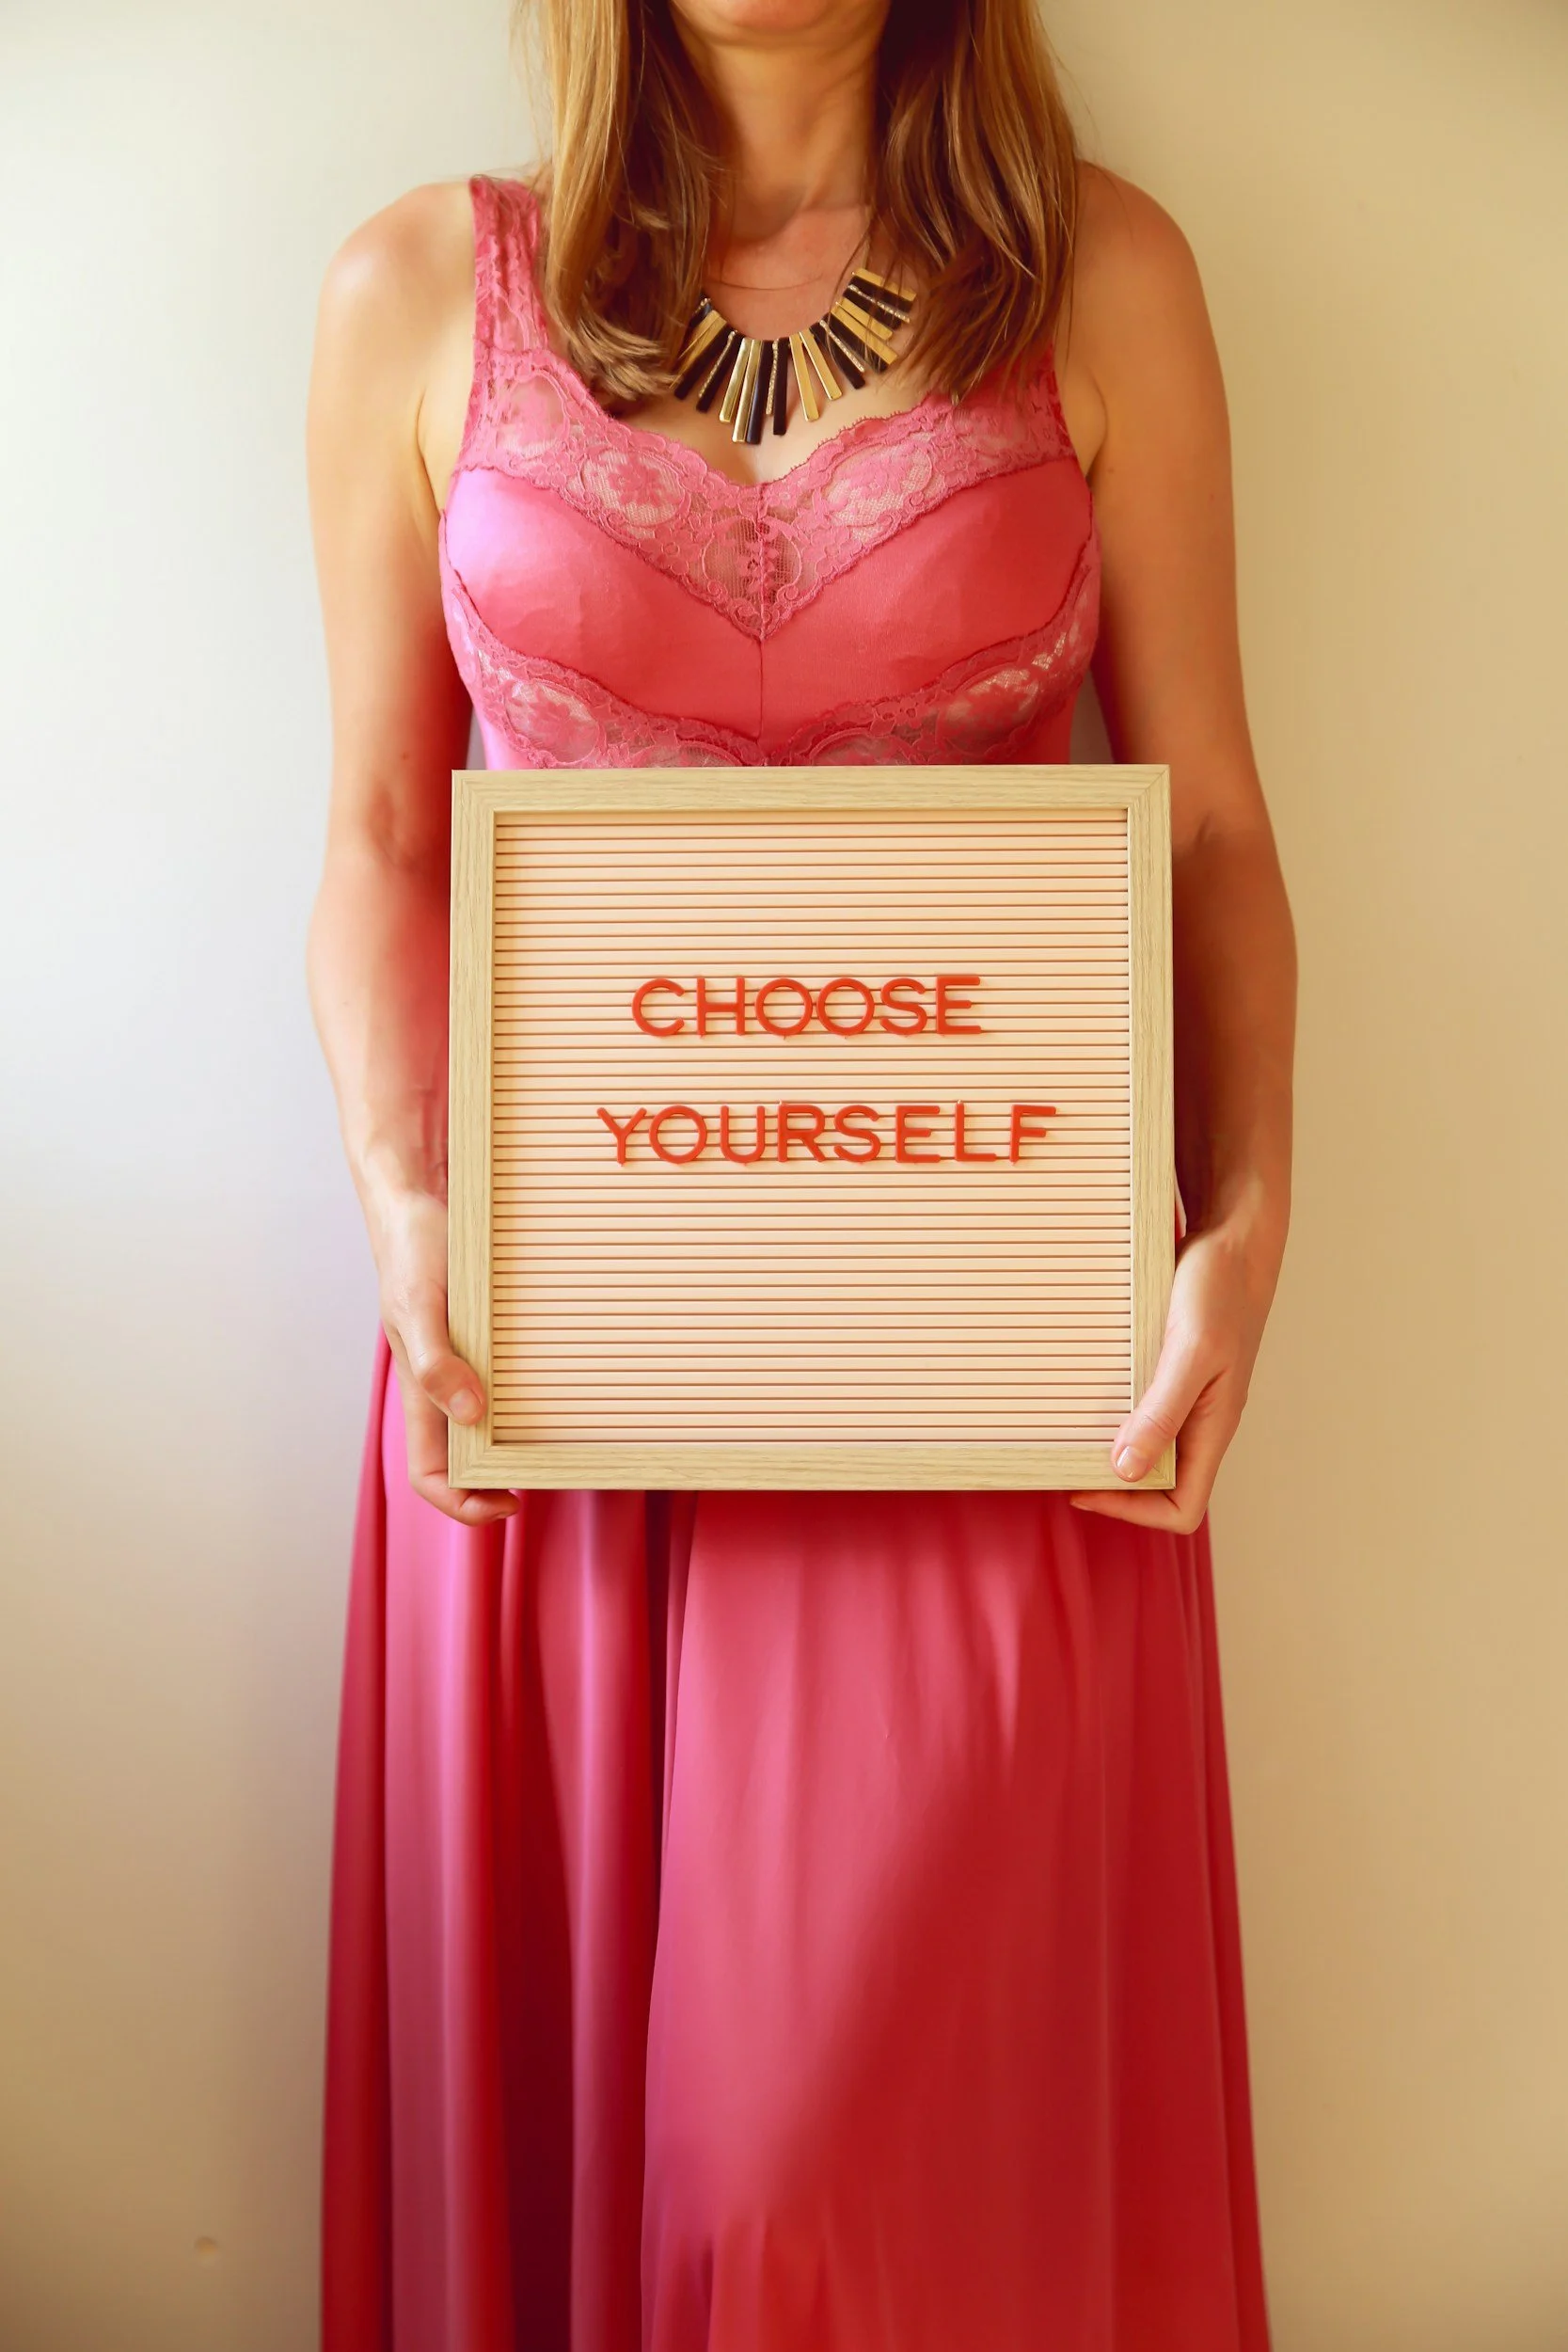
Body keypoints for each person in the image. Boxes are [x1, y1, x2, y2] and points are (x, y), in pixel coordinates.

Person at [305, 0, 1296, 2343]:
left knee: (815, 2182)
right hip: (544, 1369)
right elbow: (376, 834)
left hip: (983, 1394)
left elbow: (1209, 825)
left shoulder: (1102, 278)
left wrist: (1246, 1224)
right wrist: (403, 1202)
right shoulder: (414, 292)